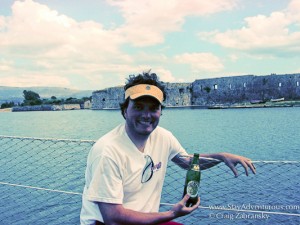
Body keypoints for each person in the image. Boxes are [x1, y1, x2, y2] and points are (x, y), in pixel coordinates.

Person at [80, 71, 256, 225]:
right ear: (125, 110)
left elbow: (188, 163)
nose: (146, 115)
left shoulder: (163, 137)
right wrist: (171, 214)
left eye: (153, 108)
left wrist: (221, 156)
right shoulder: (108, 151)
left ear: (161, 111)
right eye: (139, 107)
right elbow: (113, 218)